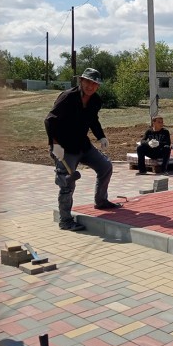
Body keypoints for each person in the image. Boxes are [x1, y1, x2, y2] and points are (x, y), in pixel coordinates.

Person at [44, 68, 120, 232]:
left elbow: (93, 120)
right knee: (67, 181)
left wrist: (101, 137)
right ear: (81, 81)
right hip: (64, 148)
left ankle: (101, 201)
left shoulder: (96, 101)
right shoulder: (68, 97)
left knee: (105, 166)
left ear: (98, 86)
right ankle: (65, 221)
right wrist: (54, 145)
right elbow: (49, 121)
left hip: (83, 145)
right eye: (88, 82)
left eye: (95, 83)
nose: (91, 86)